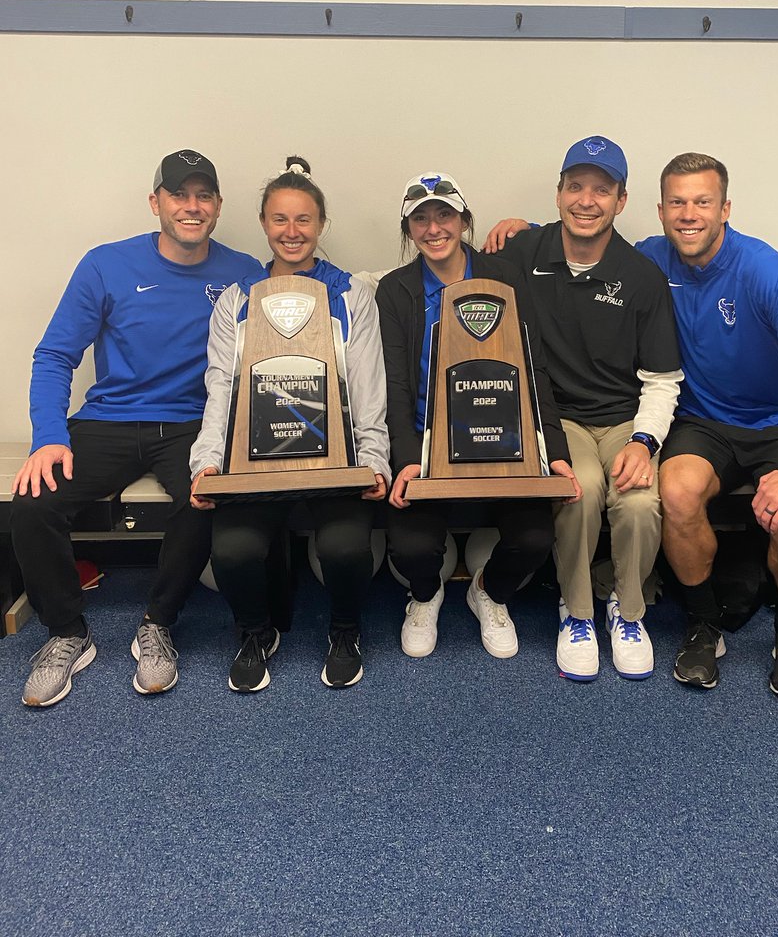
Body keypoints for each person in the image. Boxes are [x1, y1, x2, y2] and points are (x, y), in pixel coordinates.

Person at [11, 150, 261, 707]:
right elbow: (54, 355)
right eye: (179, 195)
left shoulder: (244, 272)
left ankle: (158, 623)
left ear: (218, 206)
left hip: (193, 423)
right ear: (156, 203)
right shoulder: (105, 265)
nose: (192, 207)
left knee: (205, 496)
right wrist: (49, 436)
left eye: (203, 196)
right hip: (110, 418)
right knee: (32, 503)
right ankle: (67, 633)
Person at [635, 152, 778, 698]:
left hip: (776, 421)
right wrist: (524, 230)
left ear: (725, 208)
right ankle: (704, 625)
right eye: (677, 202)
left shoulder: (763, 269)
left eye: (702, 202)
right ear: (661, 211)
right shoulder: (649, 259)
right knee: (676, 492)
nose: (689, 214)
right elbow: (584, 246)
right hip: (703, 422)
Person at [482, 137, 682, 682]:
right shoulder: (524, 252)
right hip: (557, 417)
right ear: (558, 194)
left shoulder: (641, 275)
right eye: (575, 187)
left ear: (621, 201)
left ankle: (628, 610)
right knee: (581, 489)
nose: (586, 200)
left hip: (624, 419)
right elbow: (457, 265)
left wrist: (644, 441)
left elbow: (662, 380)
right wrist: (507, 227)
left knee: (638, 502)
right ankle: (576, 612)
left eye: (602, 190)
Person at [190, 157, 390, 691]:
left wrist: (373, 460)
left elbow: (369, 387)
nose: (292, 231)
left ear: (321, 224)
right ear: (263, 222)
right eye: (280, 219)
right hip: (255, 461)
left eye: (304, 219)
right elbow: (221, 388)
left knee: (345, 548)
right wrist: (206, 462)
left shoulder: (350, 295)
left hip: (336, 462)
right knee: (232, 551)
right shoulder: (236, 300)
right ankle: (256, 633)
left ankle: (345, 631)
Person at [375, 171, 580, 662]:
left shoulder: (504, 276)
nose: (434, 228)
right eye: (420, 219)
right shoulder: (394, 291)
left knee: (535, 537)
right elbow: (395, 386)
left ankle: (488, 591)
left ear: (464, 220)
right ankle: (425, 596)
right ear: (408, 230)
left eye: (444, 215)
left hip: (504, 443)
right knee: (411, 547)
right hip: (428, 445)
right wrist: (406, 458)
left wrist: (554, 452)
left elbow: (534, 367)